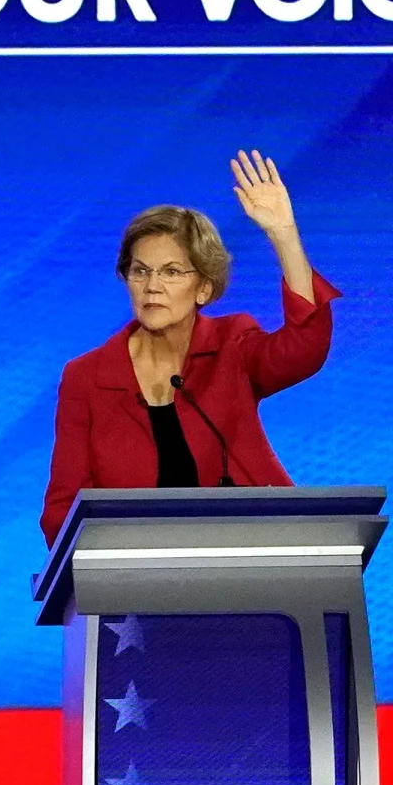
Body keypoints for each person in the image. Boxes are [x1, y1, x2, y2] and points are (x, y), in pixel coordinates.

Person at [40, 151, 338, 544]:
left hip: (250, 555)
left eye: (171, 272)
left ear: (204, 288)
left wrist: (284, 234)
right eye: (140, 271)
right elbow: (63, 511)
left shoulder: (232, 346)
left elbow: (305, 348)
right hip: (134, 580)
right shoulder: (87, 378)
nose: (152, 286)